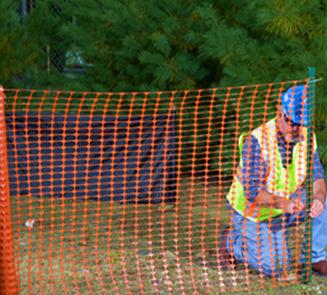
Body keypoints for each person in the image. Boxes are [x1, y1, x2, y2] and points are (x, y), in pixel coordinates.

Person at [221, 85, 327, 278]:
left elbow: (317, 176)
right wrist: (284, 203)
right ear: (280, 112)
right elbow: (253, 193)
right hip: (253, 212)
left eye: (299, 123)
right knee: (274, 267)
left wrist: (319, 199)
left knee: (326, 200)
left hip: (284, 205)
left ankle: (314, 257)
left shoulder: (307, 136)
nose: (294, 128)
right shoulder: (257, 140)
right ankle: (231, 240)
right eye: (290, 121)